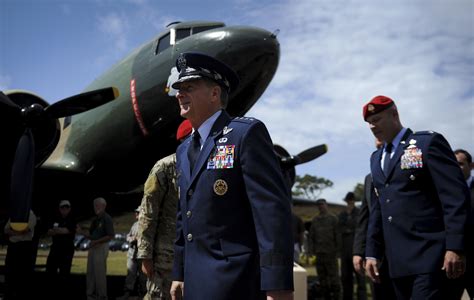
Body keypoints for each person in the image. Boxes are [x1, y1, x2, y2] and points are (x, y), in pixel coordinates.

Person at [170, 52, 294, 300]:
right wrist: (179, 272)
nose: (179, 94)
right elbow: (185, 217)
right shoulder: (183, 150)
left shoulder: (245, 134)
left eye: (189, 87)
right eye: (179, 89)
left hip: (235, 282)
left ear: (215, 94)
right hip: (195, 283)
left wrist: (277, 283)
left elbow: (271, 213)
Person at [363, 95, 469, 299]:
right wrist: (372, 252)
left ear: (394, 114)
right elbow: (378, 209)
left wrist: (456, 246)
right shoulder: (376, 159)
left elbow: (454, 197)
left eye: (377, 120)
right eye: (369, 123)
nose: (372, 126)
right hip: (397, 263)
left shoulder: (426, 143)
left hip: (431, 257)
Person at [137, 119, 192, 300]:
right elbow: (147, 213)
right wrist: (145, 255)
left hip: (193, 259)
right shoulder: (165, 167)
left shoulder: (203, 166)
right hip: (164, 260)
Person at [352, 140, 396, 300]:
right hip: (377, 252)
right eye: (378, 148)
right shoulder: (369, 179)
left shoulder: (405, 173)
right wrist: (358, 251)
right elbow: (364, 217)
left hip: (404, 250)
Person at [78, 197, 115, 300]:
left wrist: (96, 241)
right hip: (93, 246)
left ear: (104, 206)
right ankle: (90, 295)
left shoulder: (107, 218)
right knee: (90, 272)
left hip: (101, 247)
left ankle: (102, 296)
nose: (95, 207)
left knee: (99, 273)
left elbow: (110, 235)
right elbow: (91, 235)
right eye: (95, 205)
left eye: (97, 205)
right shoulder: (95, 220)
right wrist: (81, 232)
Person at [450, 149, 473, 299]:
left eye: (460, 164)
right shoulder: (443, 192)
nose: (456, 167)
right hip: (452, 264)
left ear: (471, 166)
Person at [308, 199, 341, 300]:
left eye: (322, 204)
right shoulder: (315, 220)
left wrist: (338, 251)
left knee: (334, 278)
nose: (320, 207)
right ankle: (325, 296)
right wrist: (310, 250)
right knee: (322, 278)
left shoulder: (333, 219)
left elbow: (338, 235)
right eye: (318, 205)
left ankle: (337, 297)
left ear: (326, 205)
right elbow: (311, 237)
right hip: (319, 253)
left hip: (331, 253)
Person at [338, 192, 367, 300]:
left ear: (354, 201)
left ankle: (362, 297)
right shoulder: (342, 215)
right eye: (348, 201)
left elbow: (361, 228)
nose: (349, 203)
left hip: (357, 249)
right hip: (345, 249)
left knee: (360, 278)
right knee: (346, 278)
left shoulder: (359, 213)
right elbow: (339, 228)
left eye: (351, 200)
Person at [46, 200, 77, 298]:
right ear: (59, 209)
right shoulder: (55, 218)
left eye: (67, 208)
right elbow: (49, 232)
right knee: (50, 271)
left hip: (67, 250)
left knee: (65, 273)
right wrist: (60, 230)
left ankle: (63, 294)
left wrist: (57, 230)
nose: (65, 210)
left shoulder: (72, 219)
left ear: (70, 209)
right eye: (63, 208)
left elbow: (68, 230)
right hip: (55, 248)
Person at [4, 210, 37, 300]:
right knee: (10, 271)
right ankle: (9, 294)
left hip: (24, 247)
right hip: (13, 246)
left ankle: (21, 295)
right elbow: (6, 229)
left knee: (22, 272)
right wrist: (18, 232)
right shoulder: (14, 214)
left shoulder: (31, 215)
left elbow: (26, 230)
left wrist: (13, 232)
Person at [118, 207, 146, 300]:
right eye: (135, 212)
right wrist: (131, 239)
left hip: (141, 255)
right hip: (132, 254)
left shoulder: (146, 225)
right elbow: (128, 236)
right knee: (130, 274)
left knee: (143, 276)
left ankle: (142, 295)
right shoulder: (134, 224)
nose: (136, 214)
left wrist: (138, 240)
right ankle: (127, 293)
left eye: (138, 212)